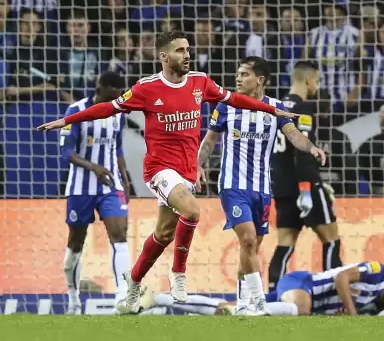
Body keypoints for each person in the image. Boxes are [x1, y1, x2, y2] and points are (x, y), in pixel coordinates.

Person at [37, 30, 298, 315]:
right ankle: (178, 274)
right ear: (164, 56)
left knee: (163, 235)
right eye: (180, 51)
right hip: (159, 170)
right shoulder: (146, 88)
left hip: (185, 172)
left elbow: (235, 100)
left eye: (188, 50)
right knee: (193, 211)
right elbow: (105, 109)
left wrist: (273, 111)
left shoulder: (201, 82)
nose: (187, 55)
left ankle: (133, 282)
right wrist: (65, 120)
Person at [197, 57, 326, 316]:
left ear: (260, 80)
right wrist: (197, 164)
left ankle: (243, 303)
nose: (238, 78)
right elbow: (210, 141)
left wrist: (310, 147)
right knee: (246, 240)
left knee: (252, 247)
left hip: (263, 189)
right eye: (238, 73)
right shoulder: (225, 107)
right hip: (232, 186)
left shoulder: (275, 108)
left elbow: (293, 134)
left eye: (245, 74)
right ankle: (258, 302)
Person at [59, 72, 132, 315]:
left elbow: (117, 146)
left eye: (121, 92)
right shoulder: (76, 110)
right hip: (81, 187)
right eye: (114, 92)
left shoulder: (118, 112)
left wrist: (125, 176)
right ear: (100, 88)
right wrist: (94, 167)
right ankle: (73, 299)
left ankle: (122, 297)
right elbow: (66, 153)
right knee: (76, 243)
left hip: (111, 185)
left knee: (119, 235)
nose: (118, 97)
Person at [269, 61, 342, 294]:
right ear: (309, 80)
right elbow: (303, 152)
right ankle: (333, 295)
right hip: (305, 185)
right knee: (331, 240)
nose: (317, 86)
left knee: (284, 245)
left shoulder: (276, 108)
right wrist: (307, 190)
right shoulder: (303, 109)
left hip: (281, 187)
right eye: (317, 81)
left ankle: (272, 295)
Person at [138, 262, 384, 317]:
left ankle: (156, 299)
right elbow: (341, 280)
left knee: (225, 309)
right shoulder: (378, 272)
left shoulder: (375, 310)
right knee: (301, 309)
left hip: (301, 306)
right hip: (302, 284)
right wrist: (350, 313)